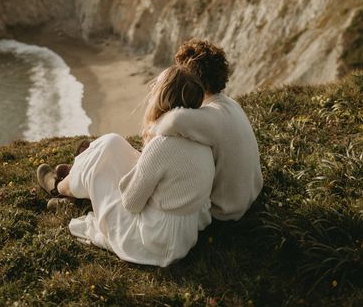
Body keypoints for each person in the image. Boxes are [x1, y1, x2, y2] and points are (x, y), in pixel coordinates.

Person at [37, 65, 215, 267]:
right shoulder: (202, 139)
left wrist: (123, 179)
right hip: (182, 233)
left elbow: (132, 203)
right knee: (112, 143)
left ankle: (59, 187)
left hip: (153, 240)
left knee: (101, 163)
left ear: (162, 98)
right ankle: (76, 179)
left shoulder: (163, 145)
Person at [151, 38, 263, 221]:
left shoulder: (210, 116)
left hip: (223, 212)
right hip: (249, 197)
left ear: (192, 80)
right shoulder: (229, 104)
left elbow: (167, 124)